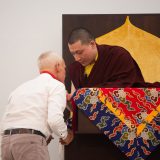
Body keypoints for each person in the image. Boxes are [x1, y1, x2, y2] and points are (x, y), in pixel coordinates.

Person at [0, 51, 73, 160]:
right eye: (64, 68)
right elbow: (54, 120)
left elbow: (6, 120)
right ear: (57, 67)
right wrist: (66, 136)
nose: (65, 72)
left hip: (6, 143)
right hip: (30, 142)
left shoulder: (20, 88)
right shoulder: (56, 86)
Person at [67, 27, 147, 90]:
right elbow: (77, 102)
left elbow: (127, 84)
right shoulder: (75, 68)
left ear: (92, 44)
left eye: (80, 52)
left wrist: (87, 92)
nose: (77, 59)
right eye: (73, 54)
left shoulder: (118, 55)